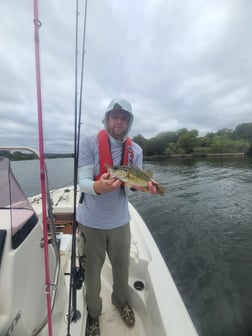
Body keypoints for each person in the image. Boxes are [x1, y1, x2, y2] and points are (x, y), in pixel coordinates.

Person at [77, 98, 157, 336]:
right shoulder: (89, 143)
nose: (119, 121)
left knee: (122, 269)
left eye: (124, 117)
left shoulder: (137, 151)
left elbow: (134, 185)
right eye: (115, 116)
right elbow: (82, 182)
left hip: (120, 221)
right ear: (107, 118)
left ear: (129, 121)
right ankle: (93, 314)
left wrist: (145, 186)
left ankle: (121, 302)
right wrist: (98, 187)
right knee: (92, 272)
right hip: (91, 221)